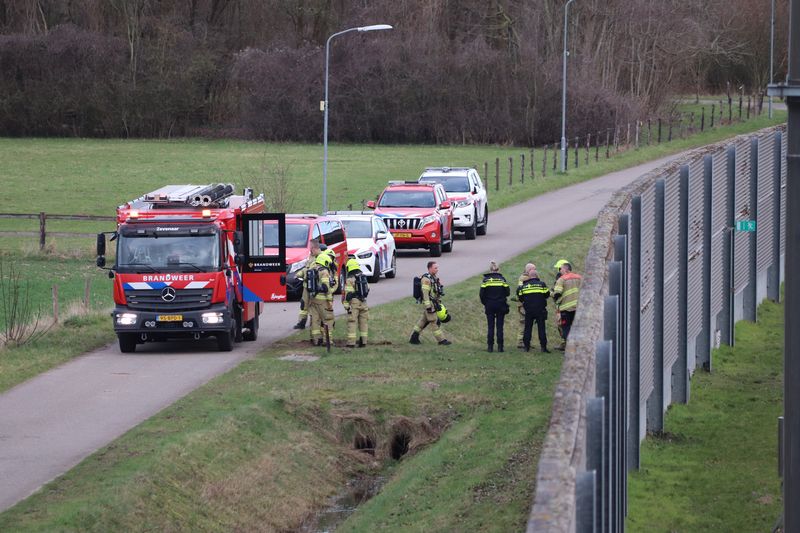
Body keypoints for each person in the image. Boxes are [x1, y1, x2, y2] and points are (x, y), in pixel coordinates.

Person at [409, 261, 451, 345]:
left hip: (434, 303)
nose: (437, 270)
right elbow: (425, 294)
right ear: (430, 268)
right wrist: (428, 306)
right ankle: (441, 340)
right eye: (435, 268)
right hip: (430, 305)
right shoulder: (426, 280)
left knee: (423, 321)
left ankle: (414, 337)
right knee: (434, 321)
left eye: (437, 268)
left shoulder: (433, 278)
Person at [518, 266, 550, 352]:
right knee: (541, 329)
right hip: (540, 310)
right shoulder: (542, 284)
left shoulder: (524, 286)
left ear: (529, 276)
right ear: (537, 275)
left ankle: (526, 347)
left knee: (528, 328)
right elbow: (547, 295)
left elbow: (520, 297)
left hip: (529, 310)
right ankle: (543, 347)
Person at [479, 260, 510, 352]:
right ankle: (500, 347)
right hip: (501, 305)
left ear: (490, 270)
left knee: (490, 326)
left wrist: (486, 303)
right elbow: (507, 293)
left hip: (489, 305)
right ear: (498, 269)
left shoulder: (486, 280)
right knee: (500, 327)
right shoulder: (502, 279)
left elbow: (481, 294)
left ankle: (490, 347)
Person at [293, 240, 324, 330]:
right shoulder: (311, 256)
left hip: (315, 286)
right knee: (303, 304)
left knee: (315, 307)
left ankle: (316, 323)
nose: (310, 250)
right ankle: (301, 322)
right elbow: (306, 269)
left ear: (314, 248)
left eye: (311, 248)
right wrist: (298, 274)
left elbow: (314, 271)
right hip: (307, 286)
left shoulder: (321, 258)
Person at [552, 262, 583, 350]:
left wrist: (553, 295)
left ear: (565, 269)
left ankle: (569, 347)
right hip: (578, 307)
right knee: (576, 327)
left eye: (561, 269)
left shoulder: (561, 279)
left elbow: (557, 293)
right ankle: (578, 346)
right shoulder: (579, 277)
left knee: (565, 327)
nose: (560, 271)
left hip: (566, 308)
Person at [307, 252, 335, 346]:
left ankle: (315, 340)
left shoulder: (312, 269)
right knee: (328, 320)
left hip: (313, 299)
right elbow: (326, 288)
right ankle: (327, 341)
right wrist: (330, 300)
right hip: (322, 301)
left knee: (315, 320)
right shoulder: (324, 272)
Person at [342, 258, 369, 348]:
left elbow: (348, 294)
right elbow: (367, 289)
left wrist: (346, 306)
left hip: (354, 303)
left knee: (352, 322)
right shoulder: (363, 277)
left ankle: (351, 343)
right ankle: (364, 342)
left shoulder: (349, 280)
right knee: (363, 323)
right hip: (364, 302)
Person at [513, 263, 536, 349]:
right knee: (524, 323)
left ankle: (525, 341)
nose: (535, 271)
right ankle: (521, 342)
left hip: (525, 304)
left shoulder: (523, 277)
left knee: (526, 323)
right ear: (528, 270)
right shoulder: (525, 278)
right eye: (533, 269)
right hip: (524, 305)